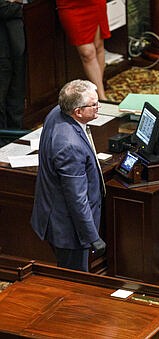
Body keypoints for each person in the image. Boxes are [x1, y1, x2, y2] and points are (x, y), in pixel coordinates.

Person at [31, 79, 106, 272]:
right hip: (69, 230)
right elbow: (77, 198)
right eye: (94, 104)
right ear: (78, 112)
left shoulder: (57, 112)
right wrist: (92, 237)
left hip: (56, 213)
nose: (98, 107)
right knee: (75, 281)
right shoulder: (70, 146)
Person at [56, 0, 111, 101]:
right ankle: (101, 97)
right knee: (87, 53)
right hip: (70, 5)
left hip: (94, 3)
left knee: (98, 46)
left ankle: (99, 93)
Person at [0, 0, 30, 140]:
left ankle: (15, 139)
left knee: (16, 97)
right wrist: (19, 5)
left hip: (17, 44)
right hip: (2, 49)